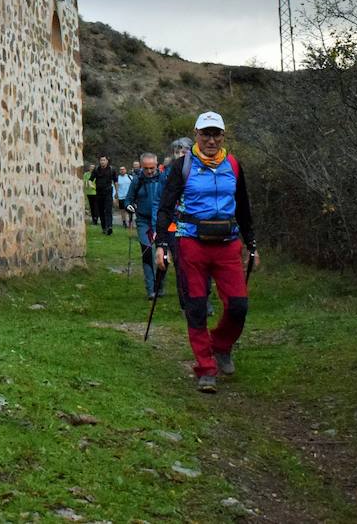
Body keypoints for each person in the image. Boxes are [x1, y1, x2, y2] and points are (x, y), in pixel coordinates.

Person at [153, 111, 258, 393]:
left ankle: (221, 346)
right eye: (205, 134)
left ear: (223, 136)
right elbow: (165, 207)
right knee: (196, 307)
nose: (211, 140)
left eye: (216, 134)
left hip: (228, 245)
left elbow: (244, 208)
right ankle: (205, 368)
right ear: (196, 134)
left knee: (239, 306)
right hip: (191, 243)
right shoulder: (182, 166)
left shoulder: (233, 165)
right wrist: (161, 244)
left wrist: (252, 244)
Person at [123, 152, 168, 298]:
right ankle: (151, 289)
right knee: (147, 251)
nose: (149, 171)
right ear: (141, 166)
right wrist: (129, 206)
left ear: (157, 165)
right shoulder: (137, 180)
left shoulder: (163, 178)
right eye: (146, 168)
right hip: (143, 221)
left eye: (152, 168)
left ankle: (160, 285)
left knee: (163, 253)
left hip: (161, 221)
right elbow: (128, 200)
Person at [92, 155, 116, 235]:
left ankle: (109, 227)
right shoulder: (96, 169)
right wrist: (92, 186)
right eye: (101, 160)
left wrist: (117, 193)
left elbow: (115, 181)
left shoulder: (112, 169)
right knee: (101, 211)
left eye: (104, 160)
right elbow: (90, 180)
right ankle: (104, 227)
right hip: (99, 192)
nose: (102, 161)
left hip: (108, 191)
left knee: (108, 210)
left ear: (107, 161)